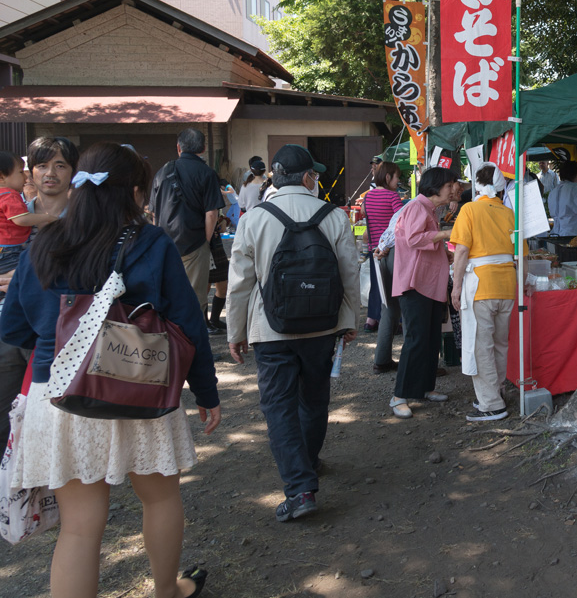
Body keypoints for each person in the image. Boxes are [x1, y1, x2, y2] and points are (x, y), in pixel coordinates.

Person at [0, 142, 221, 598]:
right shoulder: (152, 243)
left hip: (59, 394)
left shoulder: (43, 244)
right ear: (135, 192)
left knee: (80, 527)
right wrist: (206, 392)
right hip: (138, 385)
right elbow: (187, 324)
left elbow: (15, 328)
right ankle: (167, 590)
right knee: (160, 497)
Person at [226, 145, 359, 522]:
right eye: (315, 175)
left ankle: (300, 488)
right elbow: (349, 272)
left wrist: (235, 332)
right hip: (323, 326)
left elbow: (239, 284)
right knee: (314, 399)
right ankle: (310, 463)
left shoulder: (254, 218)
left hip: (271, 329)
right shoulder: (333, 216)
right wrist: (348, 320)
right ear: (306, 178)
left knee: (279, 407)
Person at [0, 137, 79, 444]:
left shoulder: (85, 220)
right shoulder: (10, 215)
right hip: (8, 328)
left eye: (60, 165)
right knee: (5, 417)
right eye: (42, 165)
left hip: (62, 331)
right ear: (30, 172)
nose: (50, 173)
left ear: (73, 171)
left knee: (57, 424)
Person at [450, 164, 527, 422]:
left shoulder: (469, 209)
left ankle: (492, 404)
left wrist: (456, 286)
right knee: (500, 344)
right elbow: (522, 254)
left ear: (477, 184)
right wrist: (523, 282)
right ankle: (497, 392)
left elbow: (461, 251)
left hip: (480, 286)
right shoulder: (509, 213)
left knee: (481, 345)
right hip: (507, 286)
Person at [389, 167, 457, 419]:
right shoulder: (417, 207)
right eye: (449, 185)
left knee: (429, 339)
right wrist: (447, 234)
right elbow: (415, 239)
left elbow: (424, 243)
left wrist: (444, 251)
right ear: (436, 186)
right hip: (415, 284)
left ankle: (425, 388)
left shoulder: (428, 209)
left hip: (427, 283)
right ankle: (399, 396)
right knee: (417, 339)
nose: (453, 189)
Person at [149, 129, 224, 310]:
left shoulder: (161, 172)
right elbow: (212, 213)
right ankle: (191, 335)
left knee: (167, 293)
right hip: (195, 243)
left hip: (165, 244)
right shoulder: (207, 173)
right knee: (194, 298)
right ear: (204, 148)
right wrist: (205, 241)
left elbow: (153, 213)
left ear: (178, 148)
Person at [362, 162, 406, 334]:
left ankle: (371, 320)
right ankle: (397, 321)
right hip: (391, 248)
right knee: (394, 287)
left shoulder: (368, 197)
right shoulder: (392, 197)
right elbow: (402, 222)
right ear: (388, 177)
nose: (398, 181)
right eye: (397, 177)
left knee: (377, 284)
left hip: (374, 248)